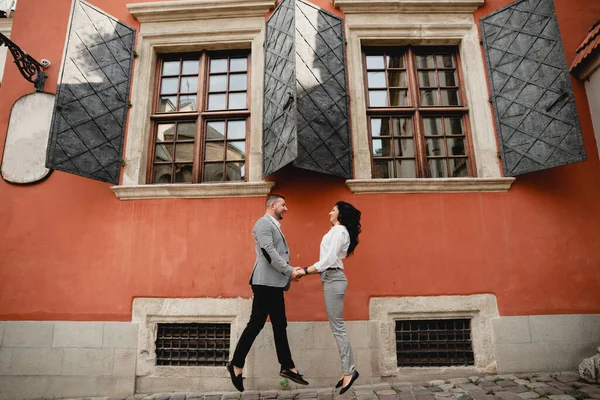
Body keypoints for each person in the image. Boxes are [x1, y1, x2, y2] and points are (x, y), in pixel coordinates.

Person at [226, 194, 309, 392]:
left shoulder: (273, 226)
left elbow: (275, 254)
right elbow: (268, 252)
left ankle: (285, 366)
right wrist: (289, 271)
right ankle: (239, 364)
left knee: (278, 324)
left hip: (272, 283)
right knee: (259, 324)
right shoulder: (263, 224)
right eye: (283, 204)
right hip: (265, 283)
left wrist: (289, 271)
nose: (286, 208)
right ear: (272, 205)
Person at [297, 201, 362, 394]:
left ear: (340, 214)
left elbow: (327, 261)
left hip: (333, 278)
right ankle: (347, 370)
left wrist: (305, 271)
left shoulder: (339, 231)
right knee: (337, 327)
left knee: (338, 327)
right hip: (331, 278)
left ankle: (349, 371)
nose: (329, 212)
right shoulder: (338, 232)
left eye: (333, 210)